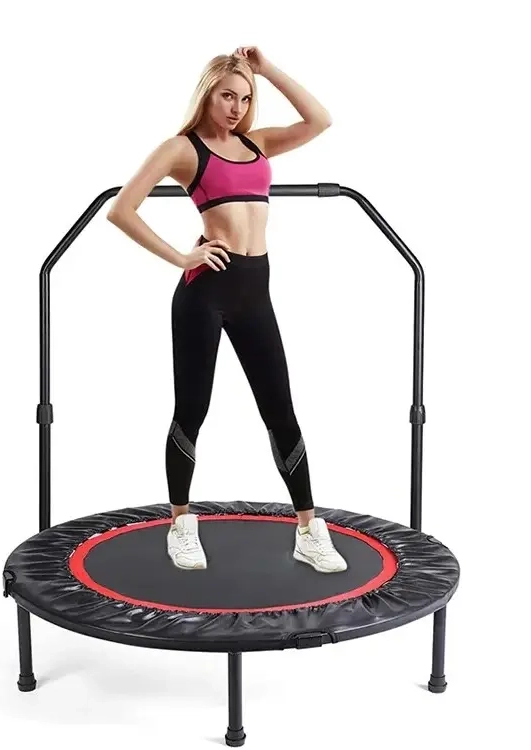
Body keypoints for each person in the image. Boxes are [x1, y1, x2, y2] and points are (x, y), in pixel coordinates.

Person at [107, 47, 347, 574]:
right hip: (206, 291)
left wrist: (266, 68)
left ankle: (308, 530)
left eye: (245, 97)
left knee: (280, 410)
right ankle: (180, 524)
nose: (236, 107)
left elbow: (320, 120)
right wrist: (181, 256)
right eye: (227, 96)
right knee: (192, 409)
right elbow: (121, 209)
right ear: (207, 93)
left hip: (255, 291)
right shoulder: (182, 149)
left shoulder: (256, 144)